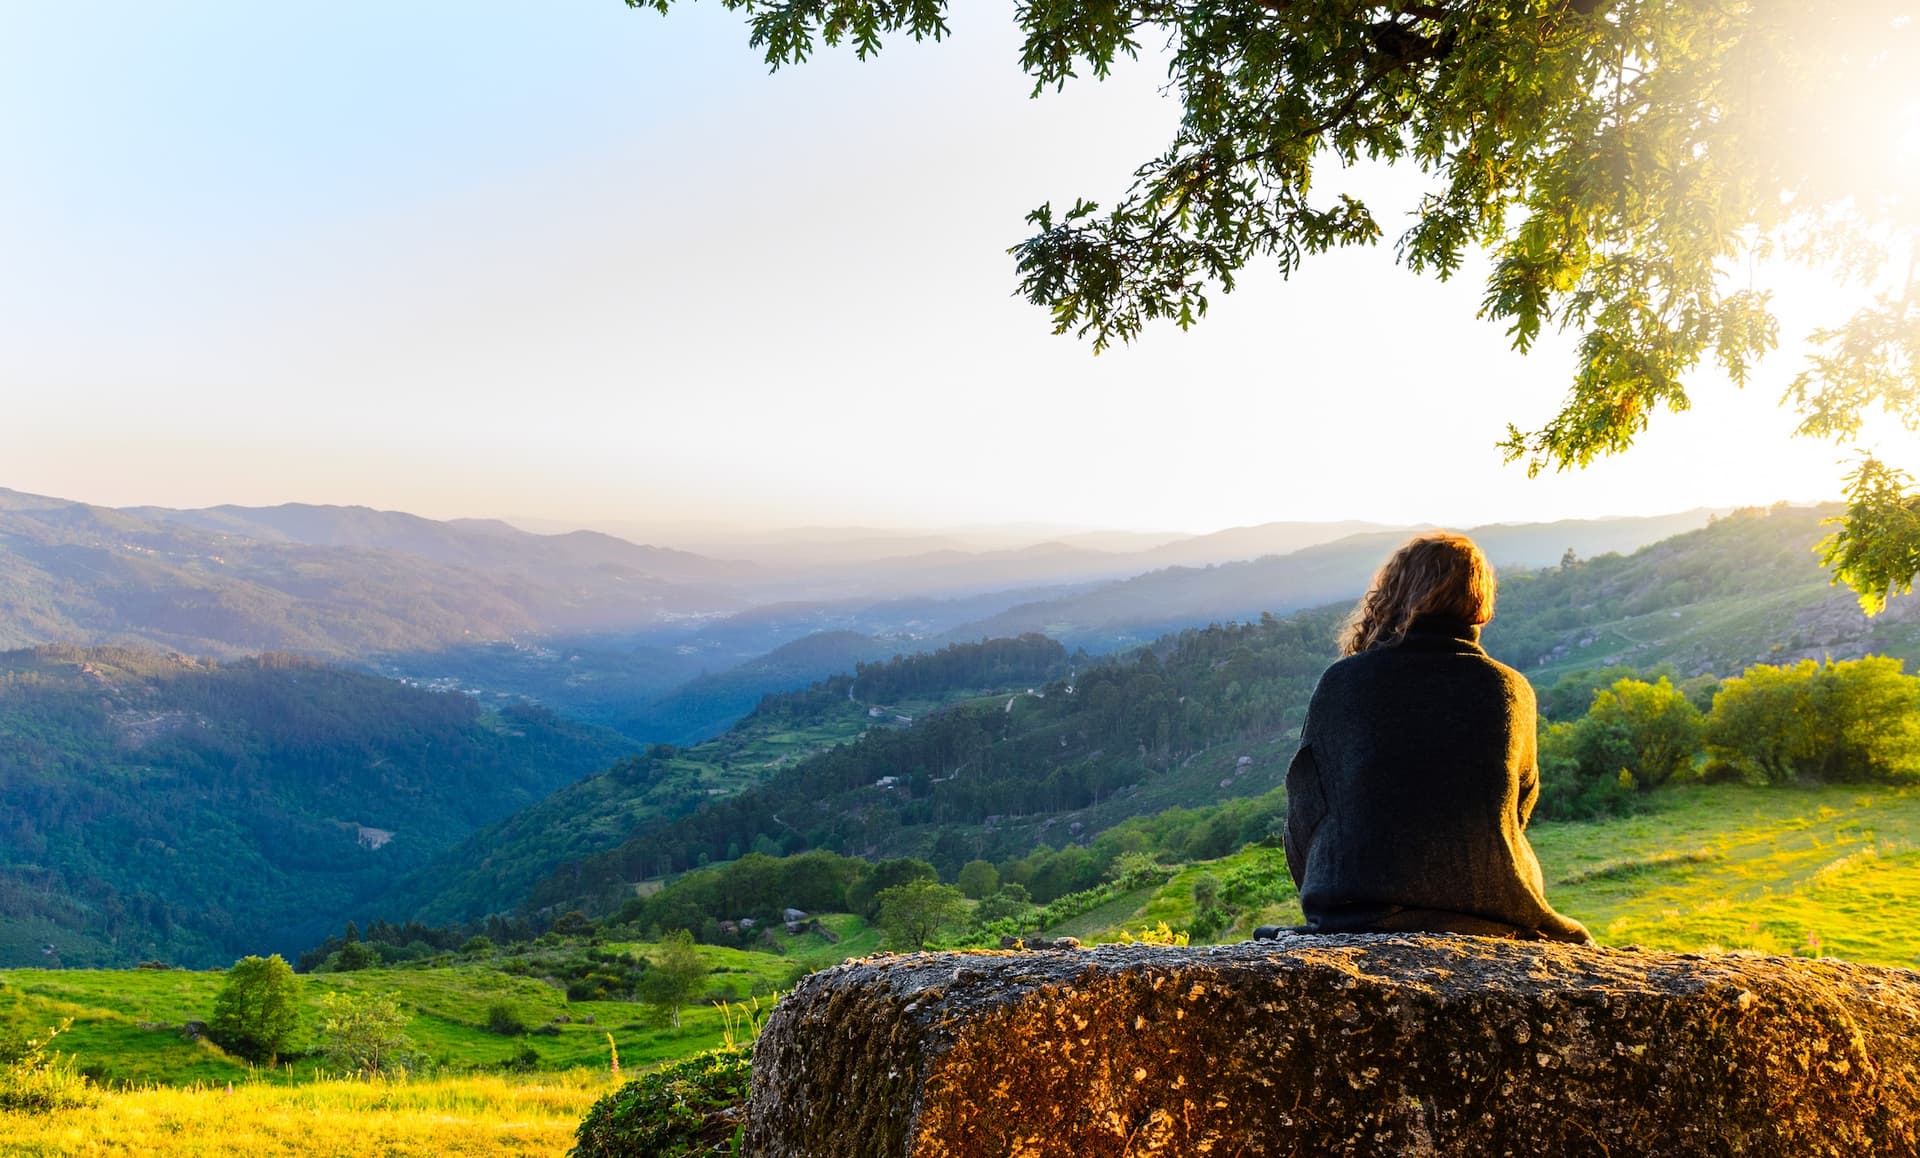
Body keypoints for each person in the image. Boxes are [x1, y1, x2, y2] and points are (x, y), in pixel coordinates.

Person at [1280, 532, 1592, 944]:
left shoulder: (1344, 683)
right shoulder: (1511, 690)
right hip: (1493, 908)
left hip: (1355, 910)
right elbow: (1517, 809)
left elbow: (1305, 810)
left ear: (1393, 592)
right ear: (1479, 603)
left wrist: (1337, 886)